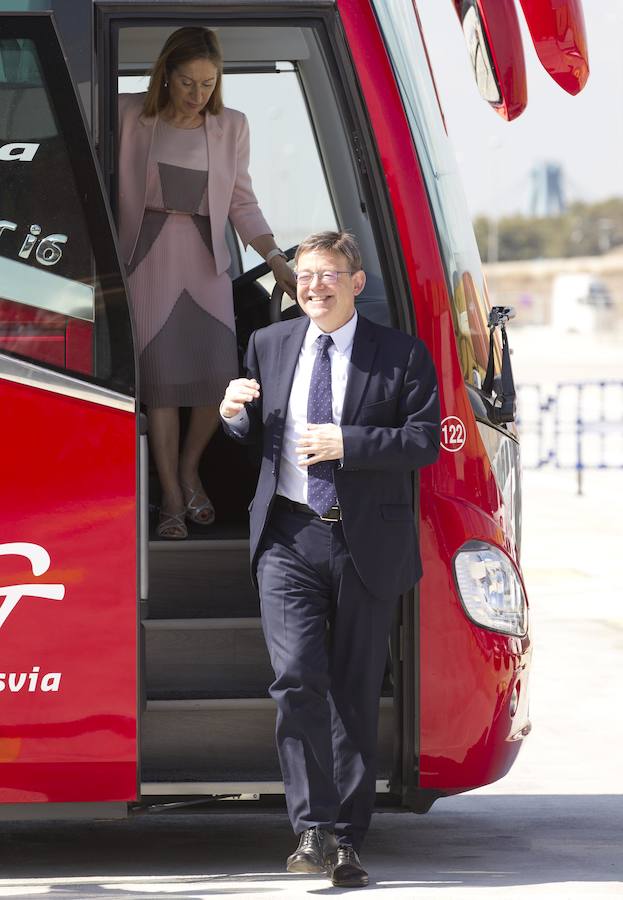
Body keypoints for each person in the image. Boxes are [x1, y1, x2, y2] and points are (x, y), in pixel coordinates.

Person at [220, 230, 440, 887]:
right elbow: (249, 440)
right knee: (293, 679)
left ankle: (346, 838)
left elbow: (423, 442)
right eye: (305, 275)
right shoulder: (268, 344)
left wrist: (348, 442)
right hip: (288, 538)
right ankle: (311, 828)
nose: (313, 285)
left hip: (362, 541)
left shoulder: (399, 354)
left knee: (351, 693)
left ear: (355, 282)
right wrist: (231, 415)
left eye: (328, 275)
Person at [118, 26, 295, 538]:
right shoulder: (129, 115)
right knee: (162, 384)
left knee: (215, 378)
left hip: (205, 261)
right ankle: (172, 492)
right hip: (146, 260)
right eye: (188, 83)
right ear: (166, 76)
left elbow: (242, 201)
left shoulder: (231, 126)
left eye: (208, 84)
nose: (199, 96)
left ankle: (191, 466)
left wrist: (275, 257)